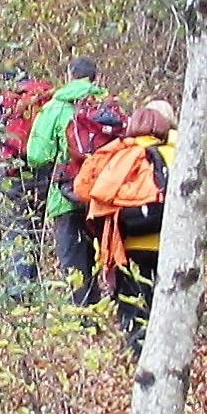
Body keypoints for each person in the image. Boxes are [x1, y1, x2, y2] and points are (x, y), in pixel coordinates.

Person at [75, 99, 176, 347]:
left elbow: (87, 192)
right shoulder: (177, 153)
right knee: (166, 312)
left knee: (134, 313)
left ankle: (137, 355)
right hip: (168, 245)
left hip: (126, 247)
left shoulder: (117, 155)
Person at [26, 56, 111, 301]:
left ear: (69, 75)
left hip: (67, 195)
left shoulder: (55, 107)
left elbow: (36, 155)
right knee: (107, 257)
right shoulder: (106, 104)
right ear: (95, 78)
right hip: (103, 196)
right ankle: (114, 312)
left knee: (75, 264)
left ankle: (83, 315)